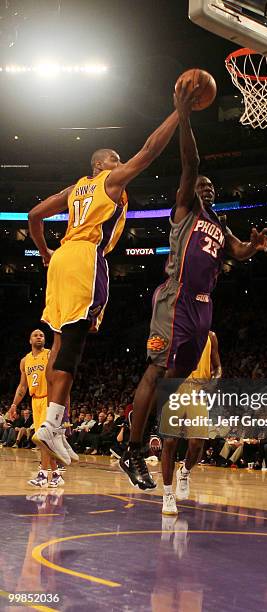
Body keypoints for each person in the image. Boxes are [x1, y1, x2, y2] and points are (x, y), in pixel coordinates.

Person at [119, 80, 267, 490]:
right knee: (156, 369)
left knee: (173, 379)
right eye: (199, 185)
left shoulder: (219, 226)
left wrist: (254, 247)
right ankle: (132, 449)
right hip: (176, 298)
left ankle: (158, 438)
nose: (204, 188)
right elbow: (191, 164)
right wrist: (184, 118)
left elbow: (238, 252)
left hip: (204, 308)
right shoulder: (186, 208)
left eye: (209, 187)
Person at [28, 106, 180, 465]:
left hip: (62, 259)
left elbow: (34, 216)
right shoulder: (108, 182)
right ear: (101, 165)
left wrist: (46, 253)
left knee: (59, 343)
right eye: (116, 159)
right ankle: (50, 425)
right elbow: (149, 151)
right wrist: (178, 113)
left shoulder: (74, 189)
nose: (122, 162)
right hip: (84, 258)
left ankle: (57, 425)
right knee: (73, 348)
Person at [159, 330, 222, 515]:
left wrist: (215, 381)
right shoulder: (172, 331)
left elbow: (218, 367)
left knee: (196, 443)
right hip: (174, 388)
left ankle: (184, 472)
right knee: (170, 442)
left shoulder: (210, 336)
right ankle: (168, 494)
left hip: (198, 390)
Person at [9, 329, 72, 487]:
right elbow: (23, 386)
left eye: (42, 335)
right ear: (30, 340)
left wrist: (65, 408)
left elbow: (61, 380)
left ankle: (43, 475)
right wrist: (14, 404)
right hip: (35, 401)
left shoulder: (50, 354)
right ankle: (56, 474)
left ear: (45, 339)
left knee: (44, 439)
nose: (39, 337)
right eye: (35, 335)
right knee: (43, 440)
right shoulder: (25, 361)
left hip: (49, 399)